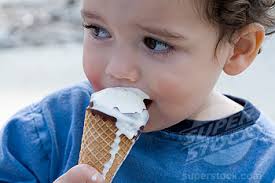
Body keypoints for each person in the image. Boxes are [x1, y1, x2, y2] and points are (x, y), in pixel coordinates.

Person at [1, 0, 275, 182]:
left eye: (155, 43)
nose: (117, 69)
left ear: (238, 49)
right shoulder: (43, 136)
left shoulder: (262, 166)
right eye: (98, 30)